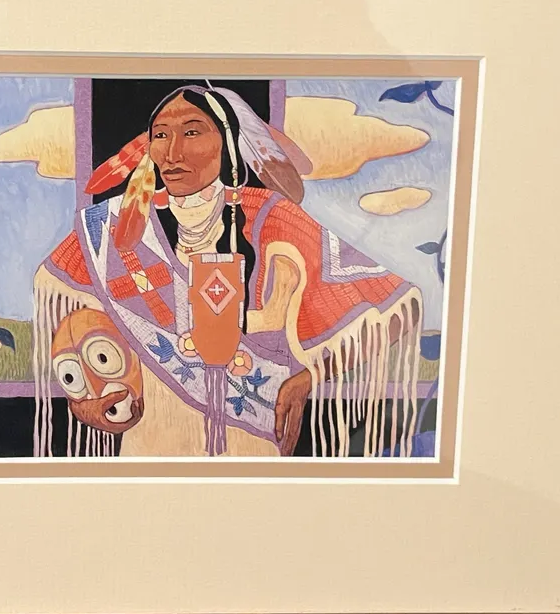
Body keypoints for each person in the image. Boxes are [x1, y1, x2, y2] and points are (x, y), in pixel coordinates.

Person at [32, 84, 424, 458]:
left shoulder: (273, 217)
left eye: (191, 132)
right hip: (150, 442)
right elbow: (67, 317)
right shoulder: (116, 226)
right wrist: (83, 395)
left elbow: (395, 310)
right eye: (161, 135)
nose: (173, 151)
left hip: (251, 444)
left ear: (227, 140)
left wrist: (309, 377)